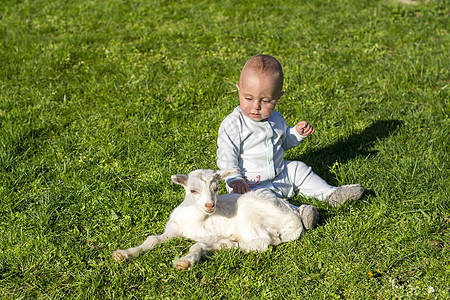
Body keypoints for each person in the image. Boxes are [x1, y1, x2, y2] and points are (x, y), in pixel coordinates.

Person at [217, 55, 364, 210]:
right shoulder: (234, 124)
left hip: (280, 175)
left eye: (265, 101)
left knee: (297, 168)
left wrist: (295, 134)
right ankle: (296, 213)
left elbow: (281, 143)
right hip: (248, 184)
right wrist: (234, 178)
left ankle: (330, 194)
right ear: (239, 90)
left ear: (278, 97)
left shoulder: (276, 119)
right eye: (248, 98)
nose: (256, 106)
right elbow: (226, 155)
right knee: (258, 203)